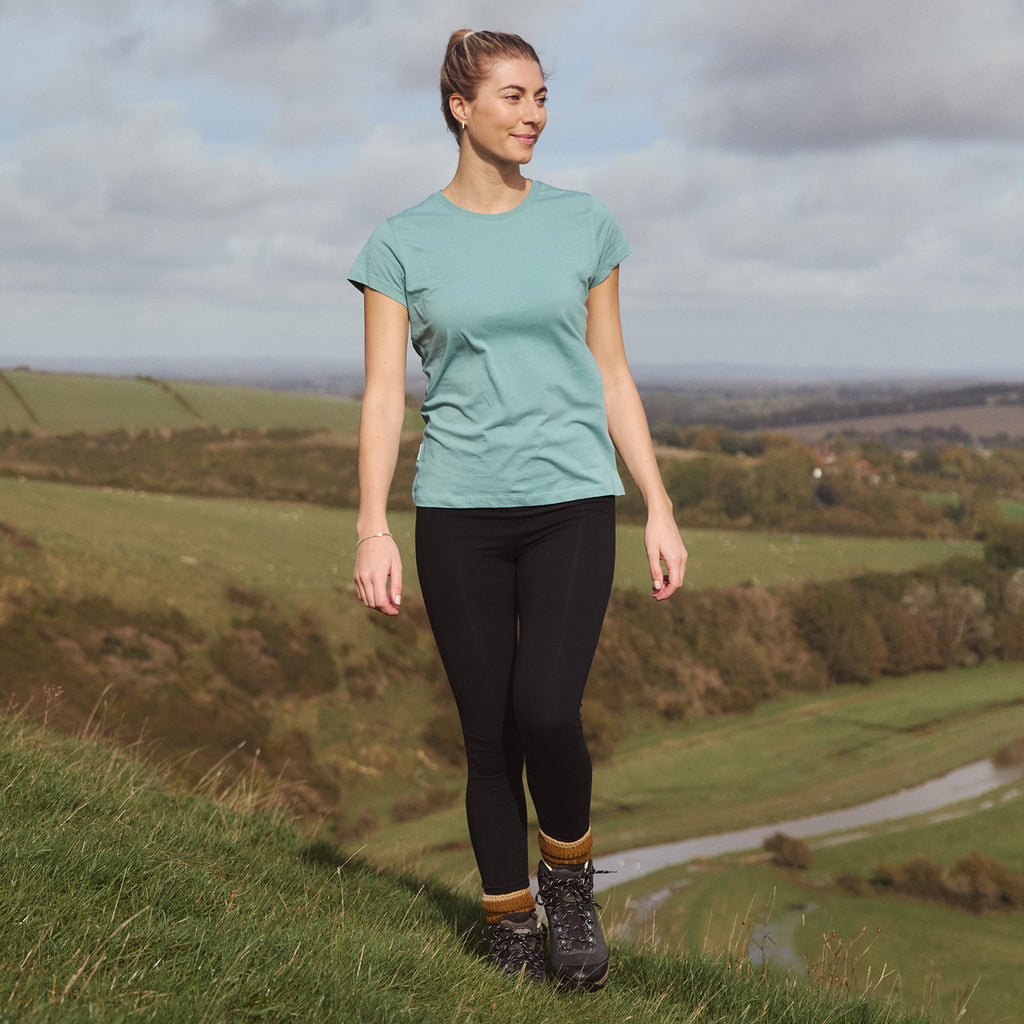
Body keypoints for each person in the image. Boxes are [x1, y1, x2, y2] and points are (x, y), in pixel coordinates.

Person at [349, 28, 687, 989]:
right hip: (458, 509)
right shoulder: (399, 244)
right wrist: (373, 525)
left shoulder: (586, 224)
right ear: (460, 106)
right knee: (486, 730)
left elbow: (614, 373)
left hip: (574, 502)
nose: (534, 114)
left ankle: (569, 881)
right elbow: (382, 397)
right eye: (513, 96)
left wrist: (658, 506)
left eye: (542, 96)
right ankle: (506, 927)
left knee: (546, 707)